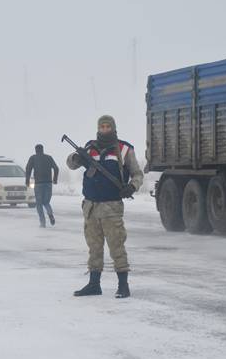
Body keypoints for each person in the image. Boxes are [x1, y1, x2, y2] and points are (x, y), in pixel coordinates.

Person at [66, 115, 143, 298]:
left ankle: (123, 286)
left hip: (111, 206)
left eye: (108, 126)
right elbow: (71, 164)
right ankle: (94, 284)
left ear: (113, 128)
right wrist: (78, 158)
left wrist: (131, 187)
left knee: (117, 246)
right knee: (94, 247)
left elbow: (137, 174)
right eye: (102, 126)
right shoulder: (89, 148)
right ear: (98, 128)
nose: (105, 129)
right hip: (91, 206)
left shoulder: (124, 149)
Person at [25, 144, 59, 228]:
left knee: (39, 204)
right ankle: (50, 214)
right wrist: (55, 179)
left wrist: (27, 180)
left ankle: (42, 223)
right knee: (46, 202)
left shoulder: (33, 158)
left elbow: (28, 169)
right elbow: (56, 168)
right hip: (48, 183)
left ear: (36, 150)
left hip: (38, 184)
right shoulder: (49, 158)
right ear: (42, 150)